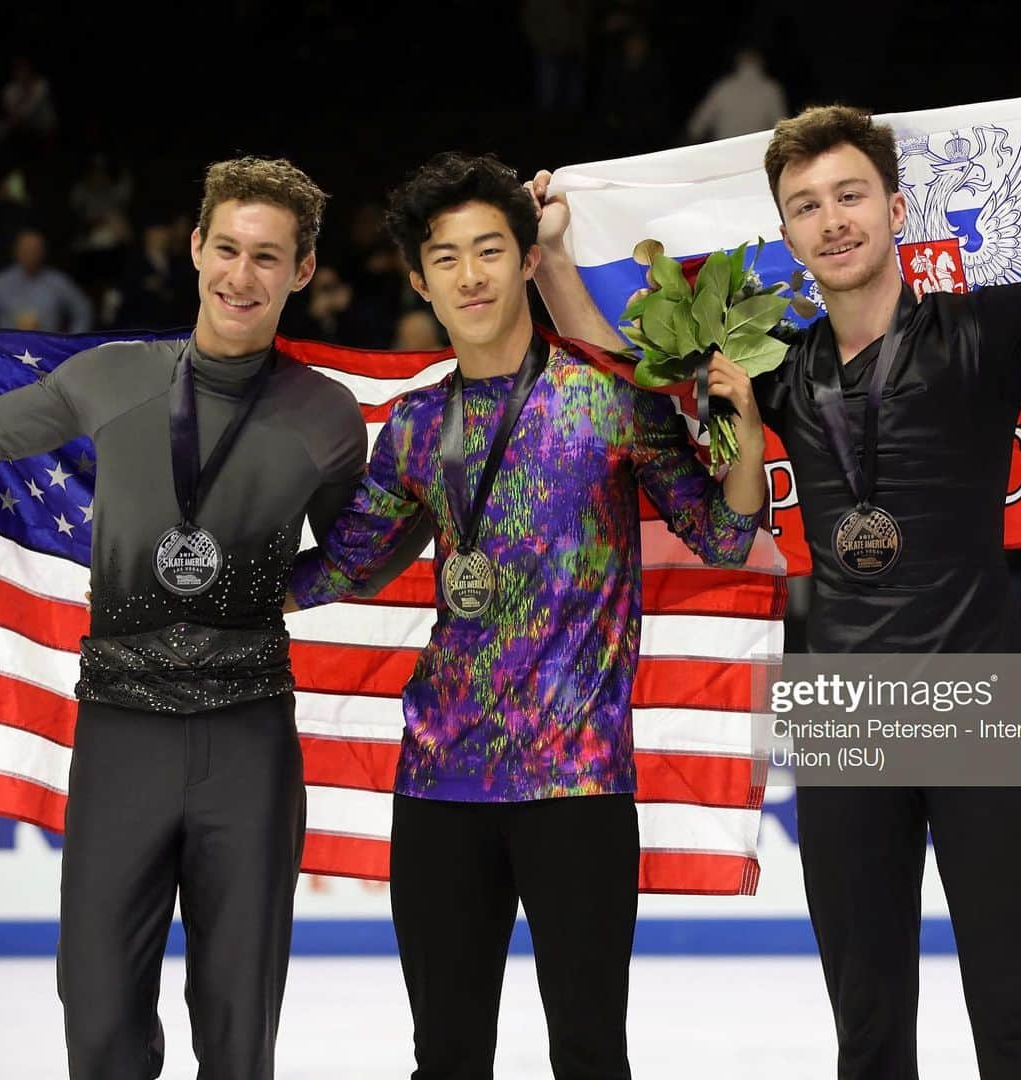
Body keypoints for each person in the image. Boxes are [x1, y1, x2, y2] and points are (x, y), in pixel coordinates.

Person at [528, 102, 1021, 1079]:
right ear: (785, 234)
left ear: (897, 207)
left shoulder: (990, 328)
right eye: (807, 205)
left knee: (1019, 1014)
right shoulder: (777, 363)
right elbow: (624, 372)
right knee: (865, 1029)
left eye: (850, 195)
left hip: (976, 694)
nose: (833, 219)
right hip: (839, 707)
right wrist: (559, 260)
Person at [285, 150, 767, 1080]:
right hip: (439, 785)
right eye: (448, 257)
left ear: (527, 263)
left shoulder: (611, 398)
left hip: (577, 788)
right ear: (421, 280)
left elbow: (721, 534)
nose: (472, 275)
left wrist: (739, 426)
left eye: (491, 250)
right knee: (447, 1059)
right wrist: (222, 589)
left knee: (589, 1056)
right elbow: (344, 561)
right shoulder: (419, 427)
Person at [0, 155, 425, 1078]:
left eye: (267, 257)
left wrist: (295, 587)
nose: (241, 275)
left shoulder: (325, 415)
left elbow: (364, 551)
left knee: (238, 1035)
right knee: (100, 1025)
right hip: (120, 734)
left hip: (248, 746)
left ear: (303, 270)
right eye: (226, 248)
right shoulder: (111, 377)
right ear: (195, 247)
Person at [684, 46, 788, 143]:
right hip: (757, 155)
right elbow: (782, 130)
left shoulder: (723, 87)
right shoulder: (771, 89)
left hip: (724, 155)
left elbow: (696, 127)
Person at [0, 227, 93, 332]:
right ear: (16, 252)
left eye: (34, 250)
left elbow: (83, 309)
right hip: (9, 346)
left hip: (47, 345)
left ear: (43, 252)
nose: (30, 255)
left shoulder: (58, 282)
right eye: (25, 250)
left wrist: (71, 343)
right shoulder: (1, 282)